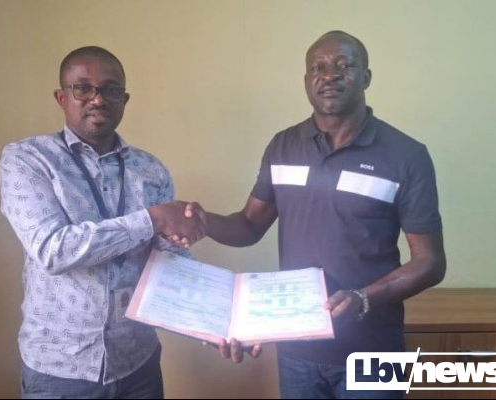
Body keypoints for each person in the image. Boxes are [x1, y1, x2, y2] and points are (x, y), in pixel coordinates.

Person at [182, 31, 446, 399]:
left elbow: (430, 262)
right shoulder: (283, 145)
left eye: (344, 65)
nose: (330, 75)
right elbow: (250, 225)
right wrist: (203, 221)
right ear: (306, 80)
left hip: (372, 348)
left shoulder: (407, 155)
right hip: (297, 349)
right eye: (318, 68)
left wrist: (363, 297)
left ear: (366, 77)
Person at [0, 46, 205, 399]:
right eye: (83, 88)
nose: (98, 99)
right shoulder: (28, 159)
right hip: (60, 370)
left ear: (124, 99)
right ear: (62, 97)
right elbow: (52, 250)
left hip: (138, 364)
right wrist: (152, 218)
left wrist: (213, 322)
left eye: (111, 90)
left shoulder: (151, 169)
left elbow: (167, 259)